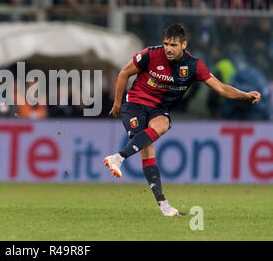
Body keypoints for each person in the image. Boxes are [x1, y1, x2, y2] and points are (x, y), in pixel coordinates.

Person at [104, 24, 261, 217]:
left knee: (161, 126)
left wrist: (245, 95)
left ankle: (119, 159)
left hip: (158, 109)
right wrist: (118, 104)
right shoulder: (150, 55)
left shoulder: (194, 66)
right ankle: (161, 202)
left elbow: (221, 88)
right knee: (147, 147)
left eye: (173, 45)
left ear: (184, 45)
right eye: (166, 44)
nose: (168, 48)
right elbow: (123, 74)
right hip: (135, 104)